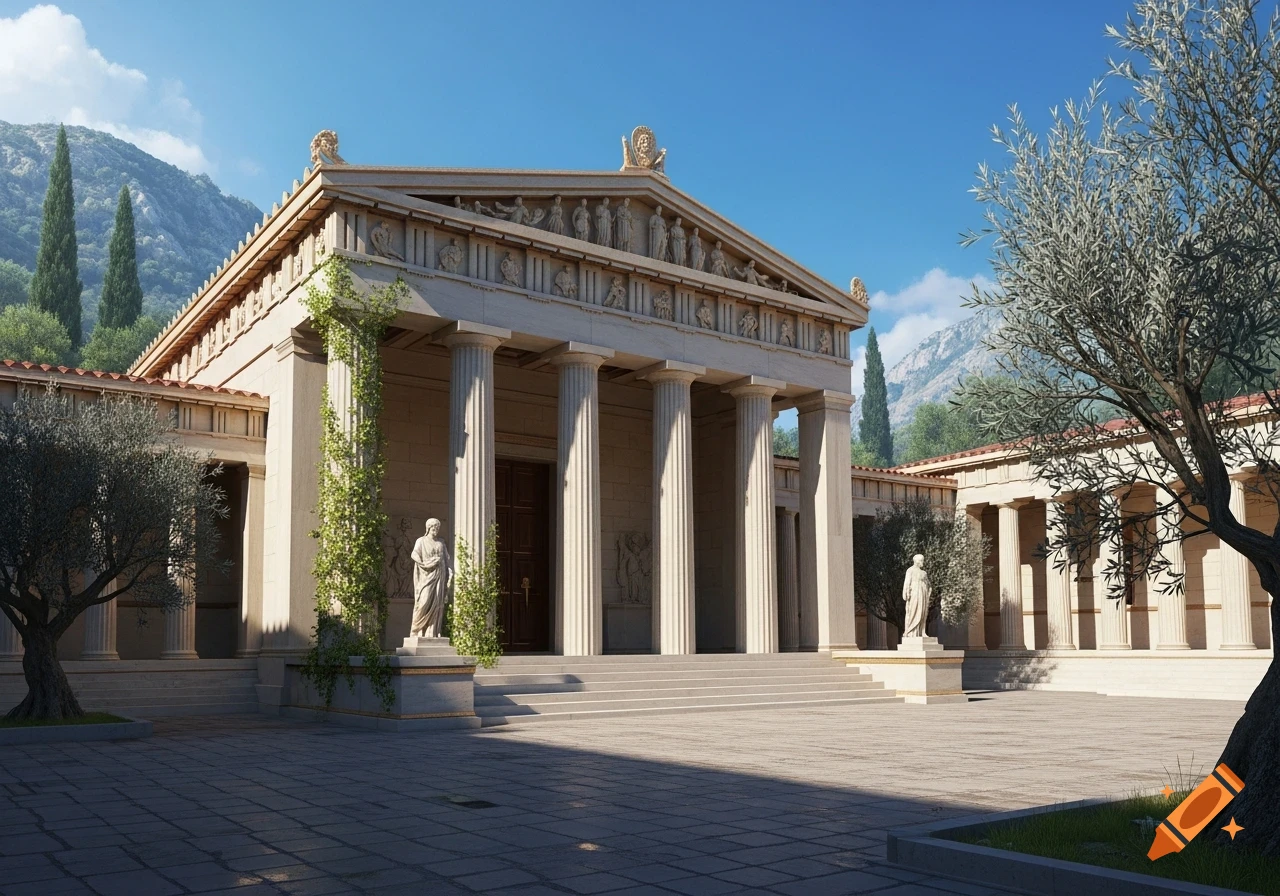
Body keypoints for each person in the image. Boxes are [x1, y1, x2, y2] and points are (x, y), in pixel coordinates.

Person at [410, 519, 454, 638]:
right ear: (428, 528)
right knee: (423, 601)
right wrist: (424, 563)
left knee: (437, 604)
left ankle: (432, 631)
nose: (436, 530)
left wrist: (449, 570)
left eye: (438, 527)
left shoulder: (441, 543)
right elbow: (414, 554)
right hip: (426, 576)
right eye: (434, 527)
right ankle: (417, 629)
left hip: (440, 575)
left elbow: (446, 559)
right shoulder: (421, 541)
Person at [901, 554, 931, 639]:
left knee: (923, 612)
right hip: (914, 593)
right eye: (921, 560)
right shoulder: (910, 570)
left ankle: (922, 631)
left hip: (923, 594)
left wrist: (928, 592)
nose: (922, 562)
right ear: (916, 561)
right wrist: (906, 593)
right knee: (913, 611)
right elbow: (907, 582)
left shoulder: (924, 573)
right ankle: (911, 631)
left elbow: (929, 584)